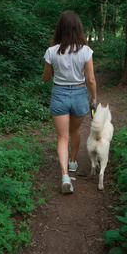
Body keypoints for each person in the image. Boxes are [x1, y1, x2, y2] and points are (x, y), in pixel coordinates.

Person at [42, 10, 97, 194]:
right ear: (78, 29)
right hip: (80, 93)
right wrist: (94, 97)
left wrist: (46, 74)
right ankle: (72, 162)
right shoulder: (86, 51)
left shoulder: (51, 52)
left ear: (60, 28)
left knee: (62, 137)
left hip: (59, 94)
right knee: (75, 131)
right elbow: (90, 80)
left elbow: (46, 78)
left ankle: (65, 175)